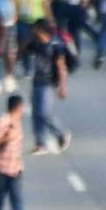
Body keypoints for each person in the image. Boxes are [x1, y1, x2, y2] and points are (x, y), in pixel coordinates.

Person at [23, 19, 71, 156]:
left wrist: (62, 86)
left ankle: (61, 133)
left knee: (43, 114)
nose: (33, 31)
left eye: (35, 29)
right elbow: (22, 50)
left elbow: (61, 67)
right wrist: (30, 39)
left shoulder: (55, 46)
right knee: (37, 115)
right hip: (36, 82)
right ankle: (40, 144)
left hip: (48, 83)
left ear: (40, 29)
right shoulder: (35, 44)